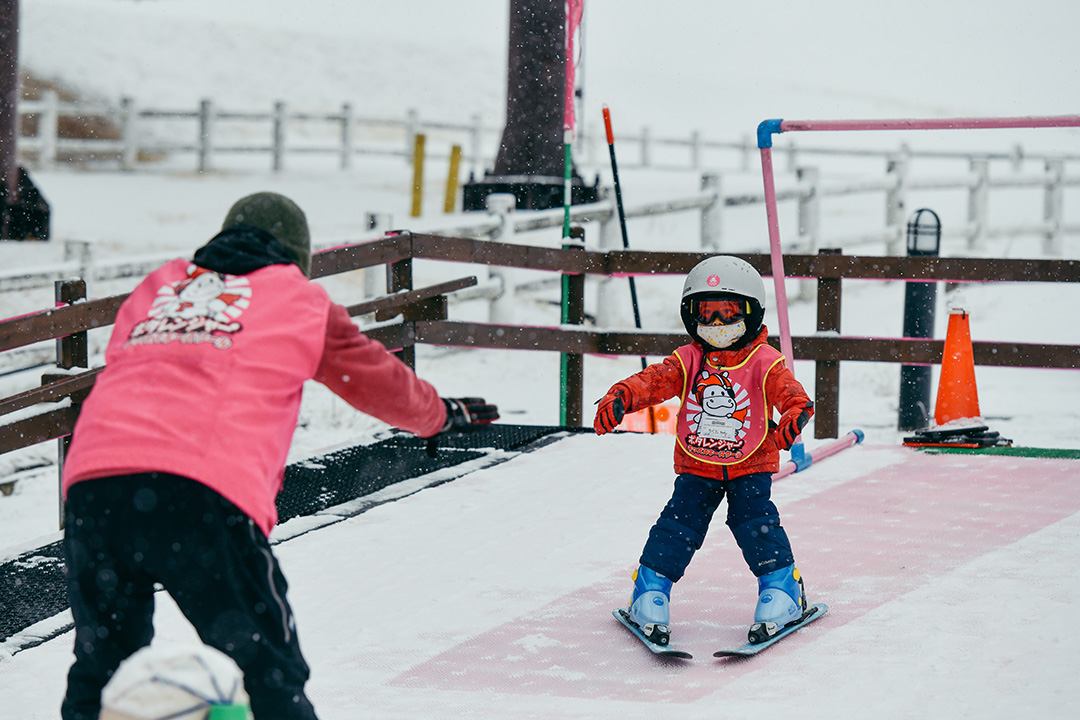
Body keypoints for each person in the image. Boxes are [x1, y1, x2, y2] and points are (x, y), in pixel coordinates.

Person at [60, 192, 498, 720]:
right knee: (266, 670)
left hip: (94, 482)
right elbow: (379, 384)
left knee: (103, 668)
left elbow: (139, 367)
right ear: (296, 257)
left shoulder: (160, 287)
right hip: (199, 490)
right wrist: (440, 414)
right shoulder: (298, 298)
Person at [594, 255, 814, 646]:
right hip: (698, 464)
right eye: (705, 313)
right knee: (678, 526)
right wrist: (621, 397)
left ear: (751, 313)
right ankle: (650, 589)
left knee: (755, 524)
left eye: (728, 313)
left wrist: (793, 418)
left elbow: (792, 396)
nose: (717, 325)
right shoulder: (689, 360)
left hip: (750, 465)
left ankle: (782, 589)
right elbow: (653, 381)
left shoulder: (764, 361)